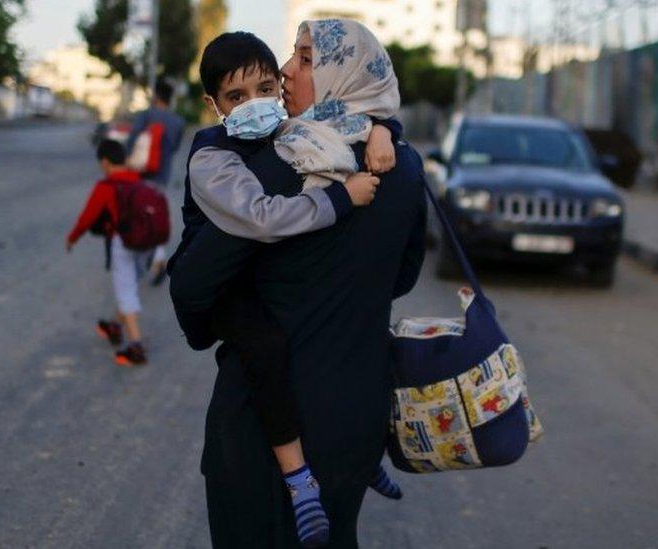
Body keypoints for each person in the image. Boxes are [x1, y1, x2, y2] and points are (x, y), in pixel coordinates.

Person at [170, 19, 427, 548]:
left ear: (341, 74)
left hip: (265, 427)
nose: (286, 72)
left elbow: (192, 283)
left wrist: (208, 326)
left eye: (306, 61)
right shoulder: (403, 165)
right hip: (356, 416)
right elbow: (401, 277)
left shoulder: (280, 165)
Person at [66, 139, 154, 367]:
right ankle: (114, 325)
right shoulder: (139, 180)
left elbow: (87, 218)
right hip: (146, 243)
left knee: (126, 291)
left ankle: (136, 346)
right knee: (130, 285)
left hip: (123, 243)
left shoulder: (106, 187)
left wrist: (72, 238)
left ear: (105, 163)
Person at [126, 80, 186, 286]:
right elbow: (176, 147)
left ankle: (139, 266)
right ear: (170, 99)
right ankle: (159, 262)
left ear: (156, 97)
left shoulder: (146, 115)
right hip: (162, 176)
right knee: (153, 216)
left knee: (138, 218)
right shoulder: (177, 121)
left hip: (141, 175)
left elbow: (132, 141)